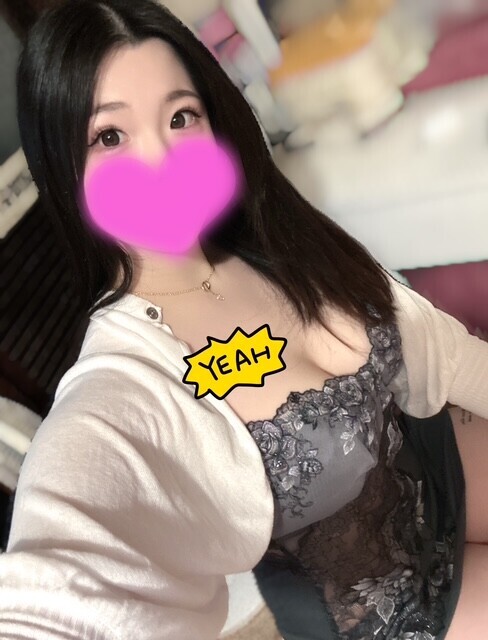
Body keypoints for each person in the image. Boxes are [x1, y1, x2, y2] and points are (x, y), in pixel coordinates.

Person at [1, 0, 488, 638]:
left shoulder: (279, 237)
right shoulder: (121, 386)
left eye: (180, 117)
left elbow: (440, 347)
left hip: (435, 459)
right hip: (387, 600)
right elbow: (64, 587)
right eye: (110, 137)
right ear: (63, 171)